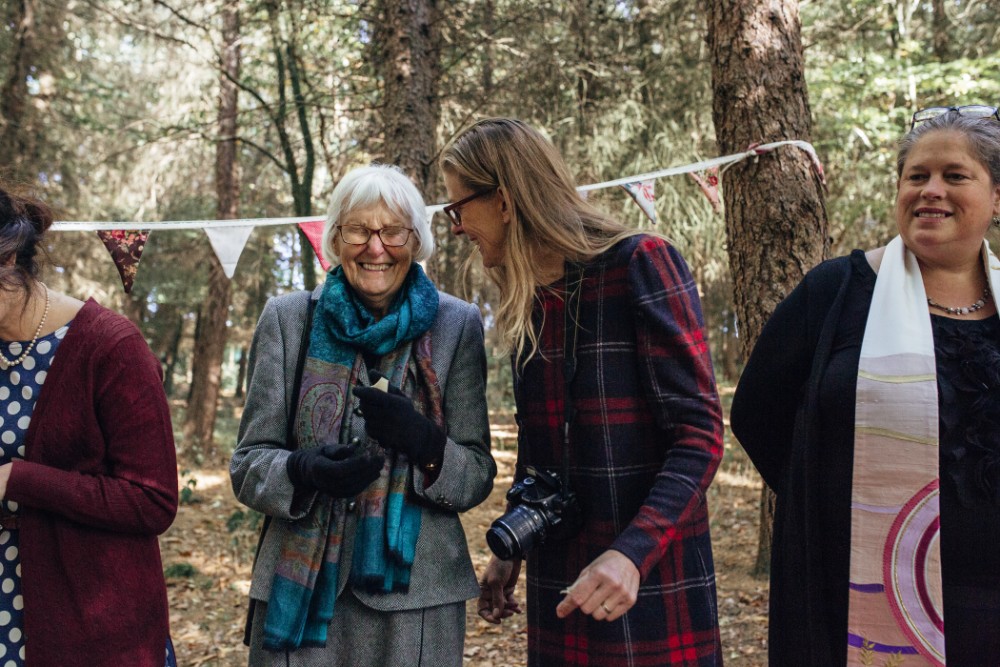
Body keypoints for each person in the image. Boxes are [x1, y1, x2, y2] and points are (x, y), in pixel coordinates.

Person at [441, 118, 724, 666]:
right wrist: (514, 543)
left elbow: (700, 437)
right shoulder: (527, 301)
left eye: (459, 208)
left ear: (504, 200)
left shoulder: (641, 264)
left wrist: (631, 553)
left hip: (651, 579)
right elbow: (539, 448)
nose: (455, 226)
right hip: (561, 583)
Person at [731, 106, 1000, 665]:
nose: (931, 190)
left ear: (995, 198)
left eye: (955, 176)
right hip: (859, 597)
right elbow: (758, 413)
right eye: (916, 176)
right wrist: (827, 497)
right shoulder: (838, 291)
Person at [231, 163, 496, 667]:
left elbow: (478, 474)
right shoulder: (288, 320)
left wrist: (426, 443)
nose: (376, 248)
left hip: (418, 598)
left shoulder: (457, 325)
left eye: (393, 231)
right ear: (334, 237)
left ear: (416, 240)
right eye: (358, 229)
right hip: (300, 592)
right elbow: (248, 464)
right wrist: (301, 470)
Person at [0, 184, 178, 665]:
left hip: (91, 626)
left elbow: (153, 501)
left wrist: (17, 479)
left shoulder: (110, 347)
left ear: (9, 259)